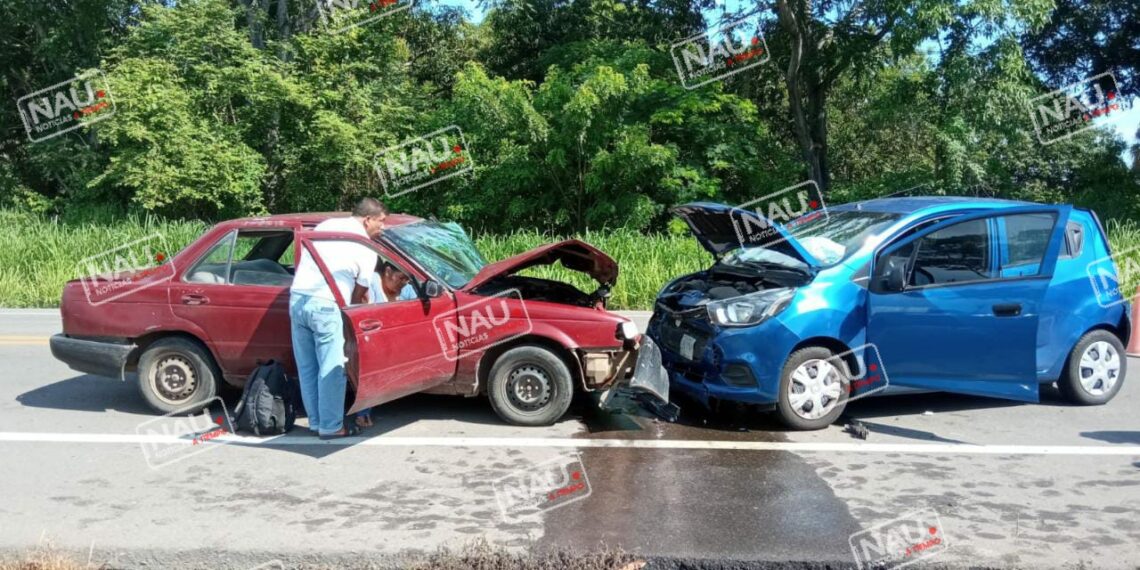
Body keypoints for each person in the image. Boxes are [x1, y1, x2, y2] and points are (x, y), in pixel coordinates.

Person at [289, 198, 387, 439]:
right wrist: (353, 316)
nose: (383, 228)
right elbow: (361, 292)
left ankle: (316, 422)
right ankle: (332, 427)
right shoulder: (362, 245)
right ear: (368, 219)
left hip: (297, 299)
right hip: (325, 306)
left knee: (307, 367)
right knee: (332, 367)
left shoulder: (326, 226)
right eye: (382, 222)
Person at [354, 260, 417, 428]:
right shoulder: (373, 282)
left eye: (407, 280)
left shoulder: (406, 289)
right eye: (401, 278)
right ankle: (363, 412)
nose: (404, 283)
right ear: (388, 271)